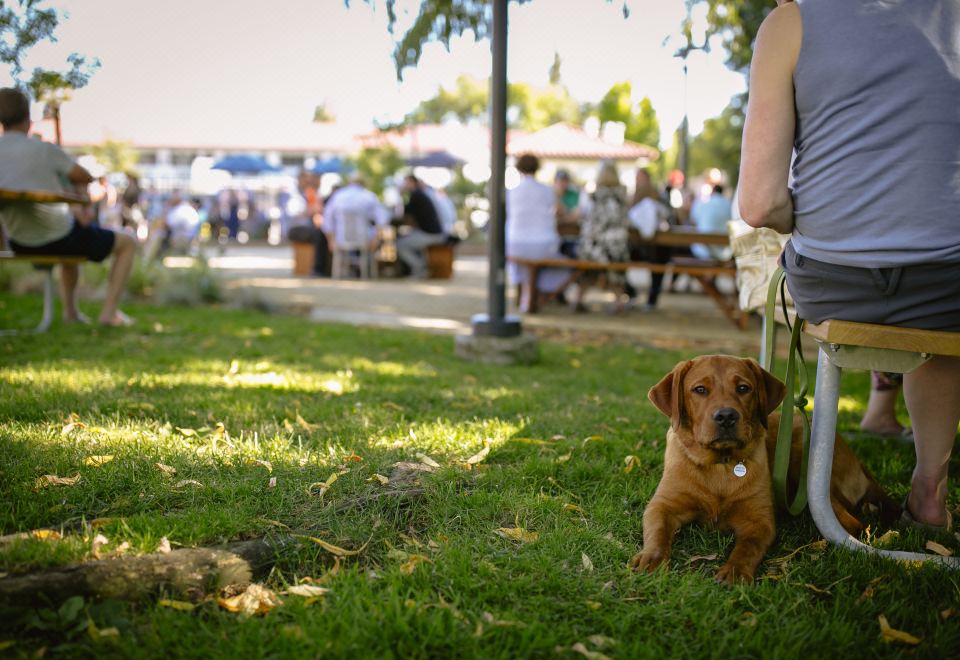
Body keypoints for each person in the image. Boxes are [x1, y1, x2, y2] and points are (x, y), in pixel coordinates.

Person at [738, 0, 960, 531]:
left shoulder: (790, 23)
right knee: (944, 327)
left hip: (834, 283)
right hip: (948, 286)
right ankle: (930, 488)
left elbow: (760, 205)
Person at [0, 87, 137, 327]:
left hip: (19, 241)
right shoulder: (43, 150)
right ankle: (109, 313)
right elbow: (84, 176)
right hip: (61, 238)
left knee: (70, 232)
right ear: (28, 119)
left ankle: (72, 313)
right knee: (128, 243)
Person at [505, 154, 570, 312]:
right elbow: (561, 211)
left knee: (526, 264)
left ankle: (527, 297)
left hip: (515, 243)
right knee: (559, 260)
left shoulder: (512, 192)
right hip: (544, 244)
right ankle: (537, 296)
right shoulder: (547, 190)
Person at [574, 161, 630, 314]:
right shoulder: (622, 197)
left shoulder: (594, 196)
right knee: (615, 267)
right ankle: (619, 302)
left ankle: (578, 298)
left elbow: (584, 218)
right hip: (616, 247)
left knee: (588, 263)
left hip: (595, 246)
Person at [322, 174, 389, 276]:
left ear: (349, 183)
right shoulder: (369, 196)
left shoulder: (338, 196)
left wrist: (331, 240)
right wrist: (375, 238)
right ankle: (366, 271)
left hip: (341, 239)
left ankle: (347, 270)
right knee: (376, 239)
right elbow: (383, 219)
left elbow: (327, 220)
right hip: (364, 240)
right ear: (363, 184)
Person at [625, 168, 672, 311]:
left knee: (659, 258)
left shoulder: (658, 199)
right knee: (617, 257)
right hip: (639, 247)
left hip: (654, 248)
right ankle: (633, 294)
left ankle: (650, 298)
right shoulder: (632, 200)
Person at [396, 174, 445, 278]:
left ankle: (420, 268)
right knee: (409, 239)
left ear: (412, 183)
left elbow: (404, 216)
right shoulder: (419, 194)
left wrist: (400, 195)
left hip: (431, 234)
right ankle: (421, 267)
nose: (404, 185)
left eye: (406, 182)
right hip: (432, 233)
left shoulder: (416, 195)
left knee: (400, 245)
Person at [689, 183, 733, 260]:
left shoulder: (702, 203)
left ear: (713, 191)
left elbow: (693, 222)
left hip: (702, 249)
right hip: (724, 250)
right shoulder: (729, 205)